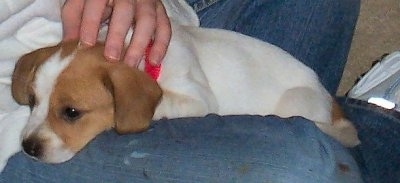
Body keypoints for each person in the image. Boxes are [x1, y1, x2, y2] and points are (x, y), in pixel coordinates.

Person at [2, 0, 399, 182]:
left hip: (180, 26)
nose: (38, 131)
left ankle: (349, 133)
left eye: (66, 113)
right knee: (305, 168)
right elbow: (188, 105)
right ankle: (377, 122)